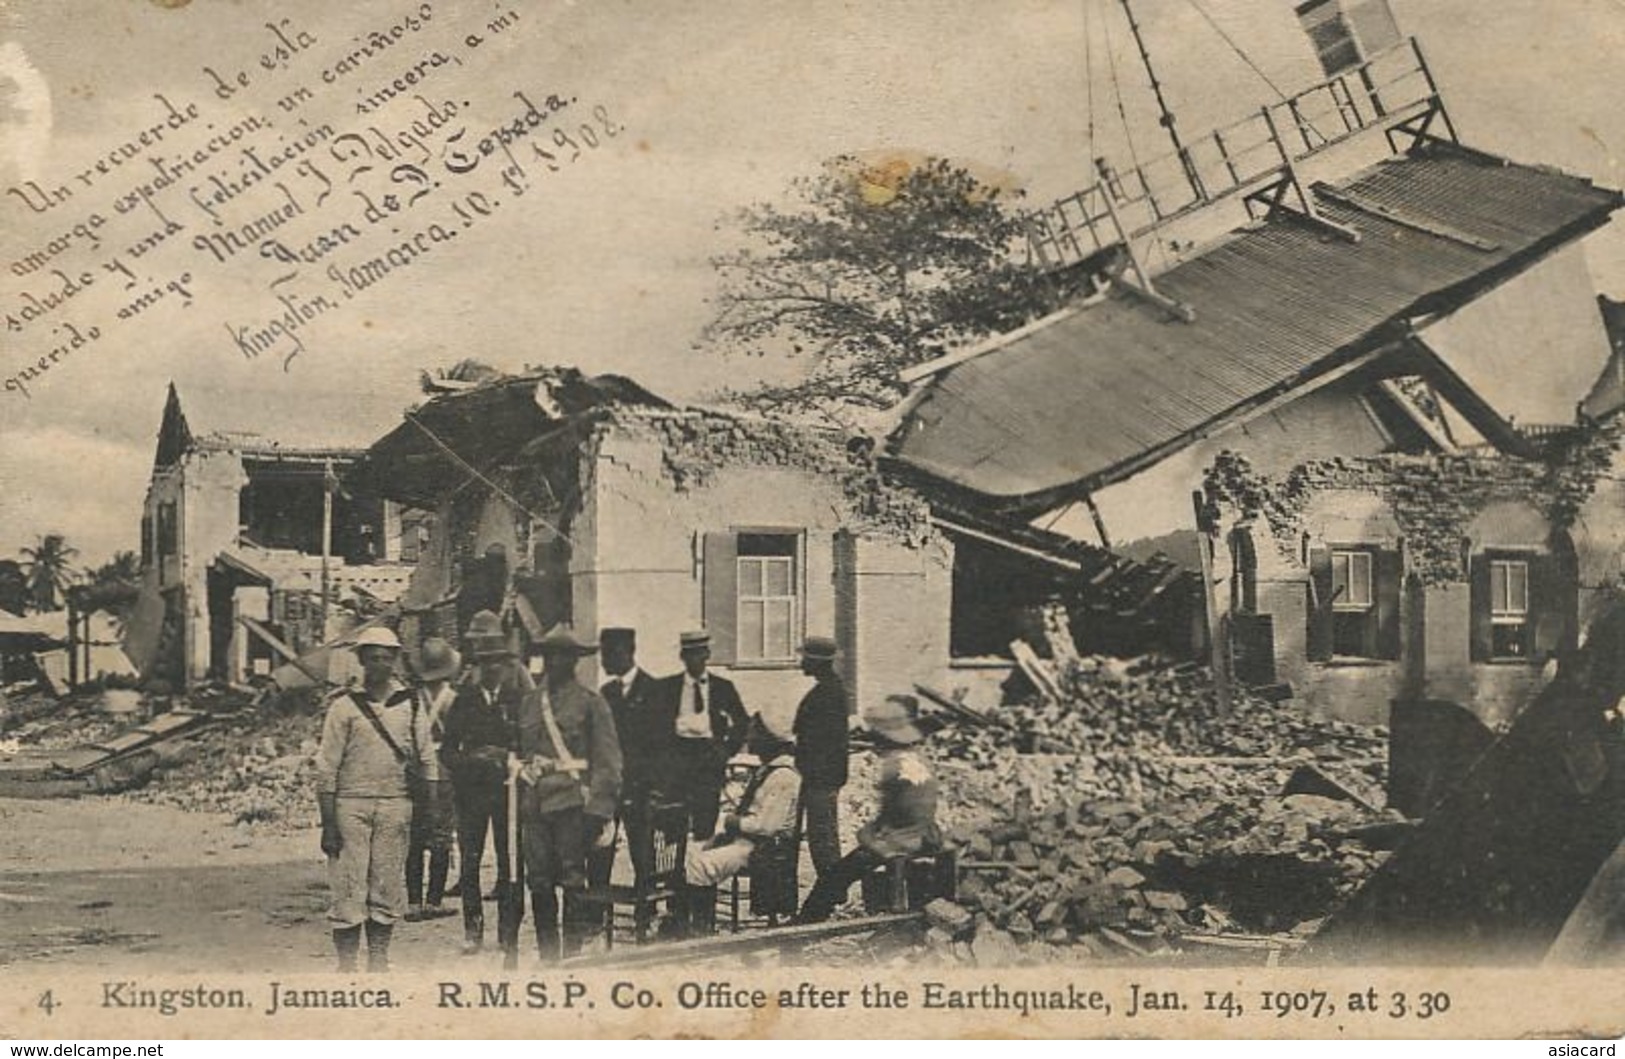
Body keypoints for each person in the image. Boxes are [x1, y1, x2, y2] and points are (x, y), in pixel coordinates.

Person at [315, 625, 436, 972]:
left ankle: (379, 959)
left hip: (396, 804)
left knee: (385, 884)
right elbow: (327, 769)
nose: (380, 665)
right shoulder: (344, 708)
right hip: (350, 805)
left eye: (386, 658)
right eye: (373, 659)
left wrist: (429, 813)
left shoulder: (410, 705)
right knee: (348, 887)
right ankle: (347, 964)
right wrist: (328, 824)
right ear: (362, 662)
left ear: (396, 660)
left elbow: (427, 760)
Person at [514, 627, 623, 962]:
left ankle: (572, 954)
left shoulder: (592, 703)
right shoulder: (530, 703)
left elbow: (609, 762)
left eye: (562, 655)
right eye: (549, 655)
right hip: (534, 805)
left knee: (573, 878)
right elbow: (521, 751)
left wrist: (599, 811)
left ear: (575, 661)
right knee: (539, 881)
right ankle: (549, 957)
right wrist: (522, 769)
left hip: (572, 804)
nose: (554, 662)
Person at [796, 694, 941, 924]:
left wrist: (868, 834)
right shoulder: (919, 760)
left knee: (835, 876)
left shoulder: (895, 766)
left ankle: (805, 923)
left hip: (901, 838)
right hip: (925, 833)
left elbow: (894, 813)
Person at [438, 609, 523, 955]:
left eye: (497, 663)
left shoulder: (517, 701)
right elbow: (447, 751)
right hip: (471, 794)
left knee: (510, 863)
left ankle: (507, 931)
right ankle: (473, 930)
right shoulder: (464, 701)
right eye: (485, 663)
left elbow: (528, 746)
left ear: (506, 666)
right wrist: (472, 759)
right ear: (477, 666)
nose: (491, 669)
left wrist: (504, 756)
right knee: (470, 864)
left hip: (508, 794)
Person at [681, 712, 802, 934]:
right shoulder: (769, 771)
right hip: (749, 841)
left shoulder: (782, 776)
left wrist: (730, 822)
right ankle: (691, 921)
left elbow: (766, 827)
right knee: (690, 853)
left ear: (770, 741)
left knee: (700, 864)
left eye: (755, 734)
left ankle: (700, 929)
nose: (750, 740)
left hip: (763, 848)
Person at [655, 630, 749, 840]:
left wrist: (726, 751)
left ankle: (698, 867)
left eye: (700, 653)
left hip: (708, 759)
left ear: (707, 655)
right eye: (690, 654)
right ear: (682, 657)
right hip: (676, 758)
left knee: (705, 820)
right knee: (672, 823)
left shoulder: (723, 687)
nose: (695, 659)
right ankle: (672, 870)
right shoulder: (666, 688)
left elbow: (742, 722)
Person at [589, 626, 663, 889]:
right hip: (611, 787)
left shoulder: (654, 691)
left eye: (608, 655)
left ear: (626, 653)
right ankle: (595, 912)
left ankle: (647, 910)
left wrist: (654, 788)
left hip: (641, 788)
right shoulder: (606, 693)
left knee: (642, 852)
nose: (604, 661)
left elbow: (660, 746)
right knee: (600, 848)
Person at [405, 636, 461, 921]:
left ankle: (413, 900)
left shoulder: (412, 698)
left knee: (414, 835)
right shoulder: (453, 699)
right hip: (444, 770)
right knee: (441, 835)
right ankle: (434, 901)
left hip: (416, 769)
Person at [792, 635, 849, 875]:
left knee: (822, 837)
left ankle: (832, 892)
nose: (801, 663)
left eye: (805, 658)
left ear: (817, 662)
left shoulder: (828, 694)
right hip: (818, 775)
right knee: (820, 836)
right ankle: (831, 891)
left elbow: (822, 741)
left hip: (821, 777)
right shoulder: (827, 690)